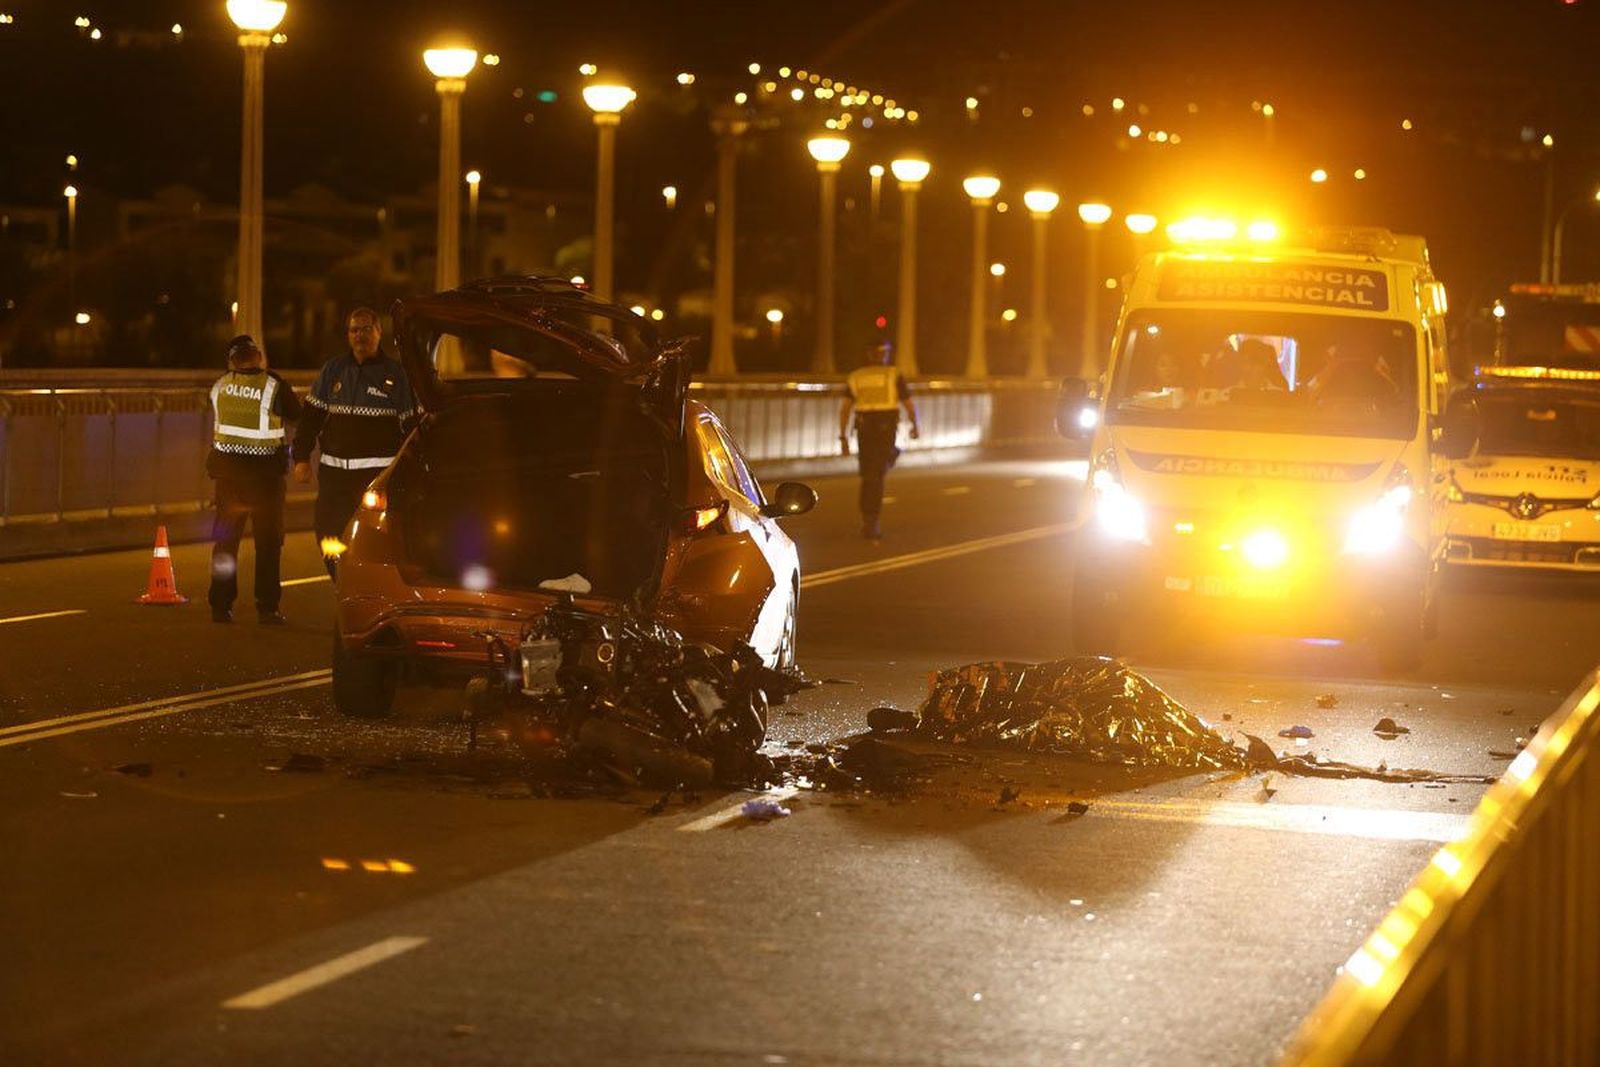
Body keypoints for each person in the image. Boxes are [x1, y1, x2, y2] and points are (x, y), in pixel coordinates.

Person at [292, 307, 418, 577]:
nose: (360, 335)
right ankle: (340, 579)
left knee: (376, 537)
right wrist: (301, 458)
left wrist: (412, 469)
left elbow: (411, 428)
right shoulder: (333, 370)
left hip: (375, 480)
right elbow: (311, 418)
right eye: (354, 330)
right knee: (328, 534)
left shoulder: (396, 375)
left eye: (365, 329)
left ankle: (370, 586)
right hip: (334, 477)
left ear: (378, 332)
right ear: (348, 335)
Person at [206, 335, 302, 624]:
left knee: (225, 545)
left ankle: (221, 607)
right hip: (265, 480)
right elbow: (297, 415)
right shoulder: (273, 385)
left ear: (231, 361)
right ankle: (267, 608)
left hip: (228, 479)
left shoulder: (220, 385)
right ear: (258, 357)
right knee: (269, 544)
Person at [839, 339, 919, 541]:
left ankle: (869, 520)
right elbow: (908, 403)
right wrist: (914, 424)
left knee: (868, 475)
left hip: (864, 428)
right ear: (883, 354)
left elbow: (845, 408)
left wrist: (843, 437)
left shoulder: (856, 376)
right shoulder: (893, 374)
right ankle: (871, 521)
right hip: (885, 427)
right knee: (876, 475)